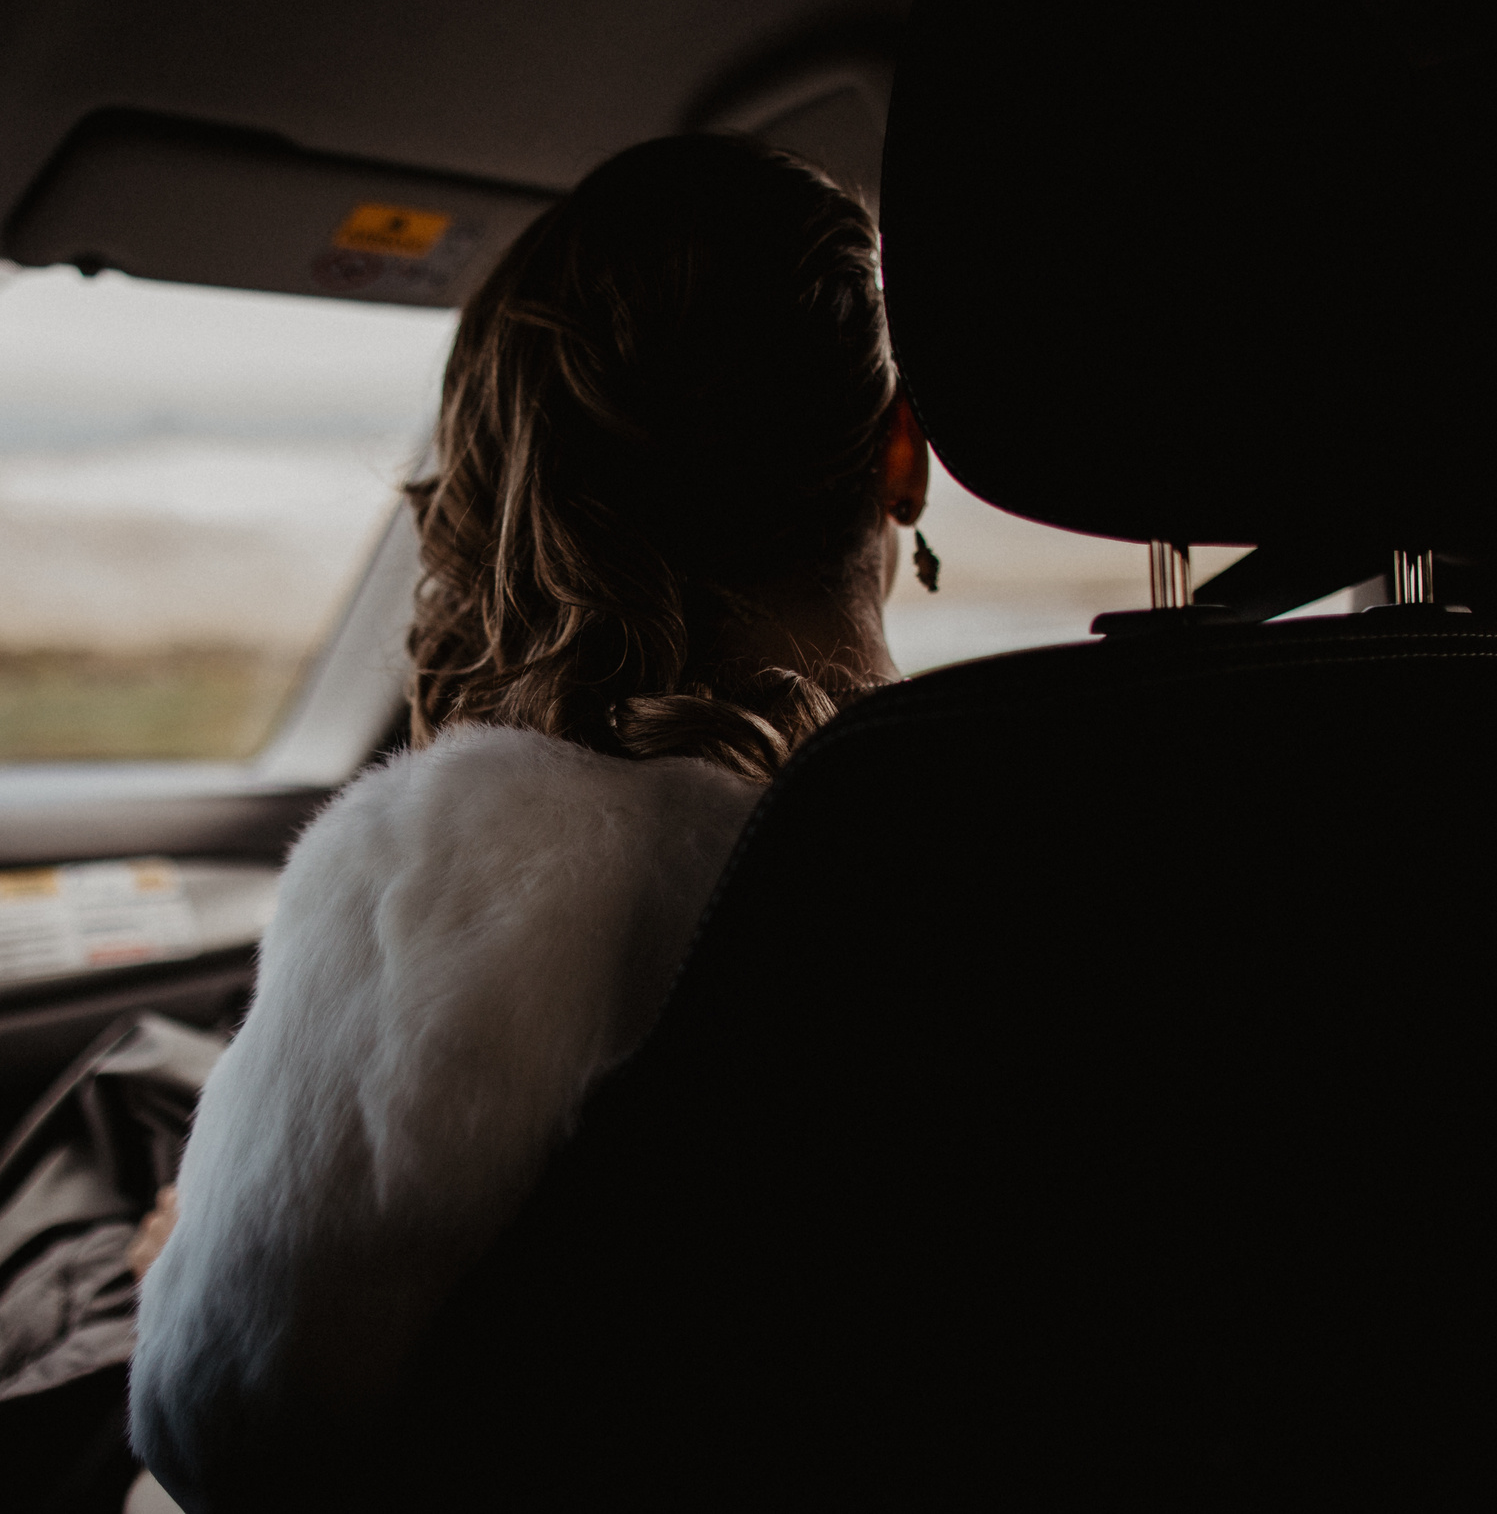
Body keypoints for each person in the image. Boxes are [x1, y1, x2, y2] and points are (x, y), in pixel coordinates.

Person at [127, 133, 935, 1507]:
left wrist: (181, 1259)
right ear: (903, 461)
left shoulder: (476, 870)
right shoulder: (1014, 819)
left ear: (505, 482)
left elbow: (231, 1429)